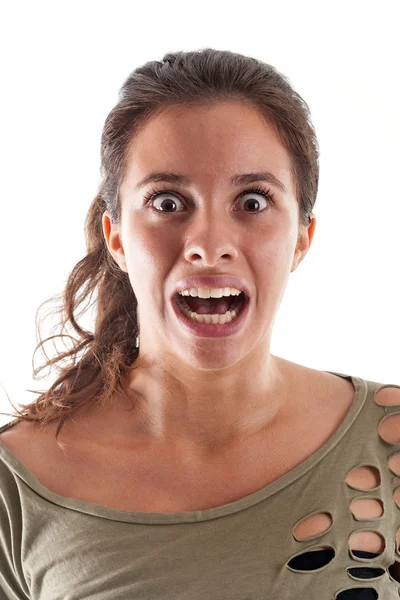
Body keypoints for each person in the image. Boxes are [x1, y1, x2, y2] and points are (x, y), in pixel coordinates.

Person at [1, 48, 399, 599]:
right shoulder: (14, 485)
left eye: (253, 201)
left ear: (301, 239)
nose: (209, 246)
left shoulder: (391, 444)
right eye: (167, 202)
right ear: (116, 237)